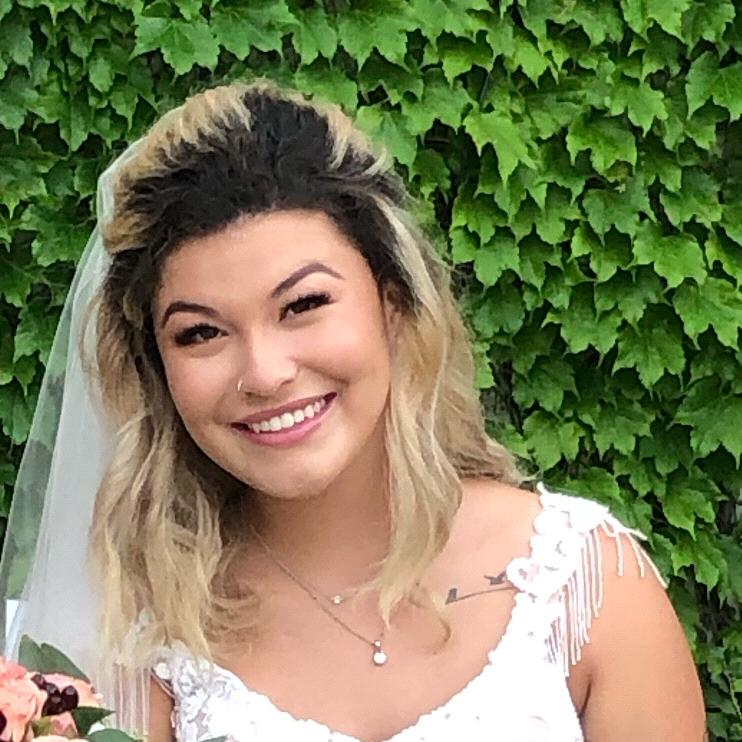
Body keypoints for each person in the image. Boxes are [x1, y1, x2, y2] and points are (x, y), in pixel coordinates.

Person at [0, 80, 705, 742]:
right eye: (201, 333)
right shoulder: (141, 643)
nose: (265, 373)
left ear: (393, 304)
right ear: (157, 369)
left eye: (303, 304)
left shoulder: (581, 586)